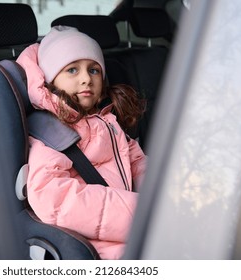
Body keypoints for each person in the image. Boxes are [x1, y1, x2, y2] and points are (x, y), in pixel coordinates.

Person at [16, 26, 147, 260]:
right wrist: (143, 213)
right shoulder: (51, 132)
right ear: (51, 80)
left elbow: (139, 164)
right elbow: (54, 198)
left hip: (129, 232)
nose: (86, 78)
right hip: (103, 247)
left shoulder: (107, 121)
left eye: (94, 70)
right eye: (73, 70)